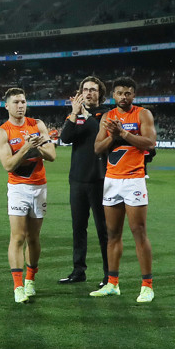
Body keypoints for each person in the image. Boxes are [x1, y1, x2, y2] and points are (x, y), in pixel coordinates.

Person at [91, 77, 156, 302]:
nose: (123, 97)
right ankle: (112, 284)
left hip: (134, 180)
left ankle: (147, 285)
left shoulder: (142, 114)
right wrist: (113, 136)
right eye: (119, 93)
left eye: (128, 93)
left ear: (134, 95)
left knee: (139, 231)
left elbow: (150, 142)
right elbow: (98, 148)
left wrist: (125, 134)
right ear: (113, 95)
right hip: (111, 180)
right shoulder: (108, 117)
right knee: (113, 234)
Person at [0, 87, 56, 303]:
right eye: (16, 102)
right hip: (18, 188)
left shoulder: (37, 124)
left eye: (23, 102)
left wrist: (38, 147)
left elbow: (52, 155)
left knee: (34, 237)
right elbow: (8, 165)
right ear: (7, 106)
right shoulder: (2, 132)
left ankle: (31, 279)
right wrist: (25, 147)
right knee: (18, 236)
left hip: (39, 187)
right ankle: (18, 286)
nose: (21, 106)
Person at [58, 77, 109, 286]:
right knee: (78, 228)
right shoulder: (75, 116)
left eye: (93, 90)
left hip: (99, 179)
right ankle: (79, 270)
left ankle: (109, 275)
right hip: (77, 179)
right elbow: (65, 138)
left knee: (103, 230)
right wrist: (73, 113)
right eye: (85, 89)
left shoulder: (105, 114)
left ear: (100, 94)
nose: (89, 93)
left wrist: (85, 115)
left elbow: (98, 131)